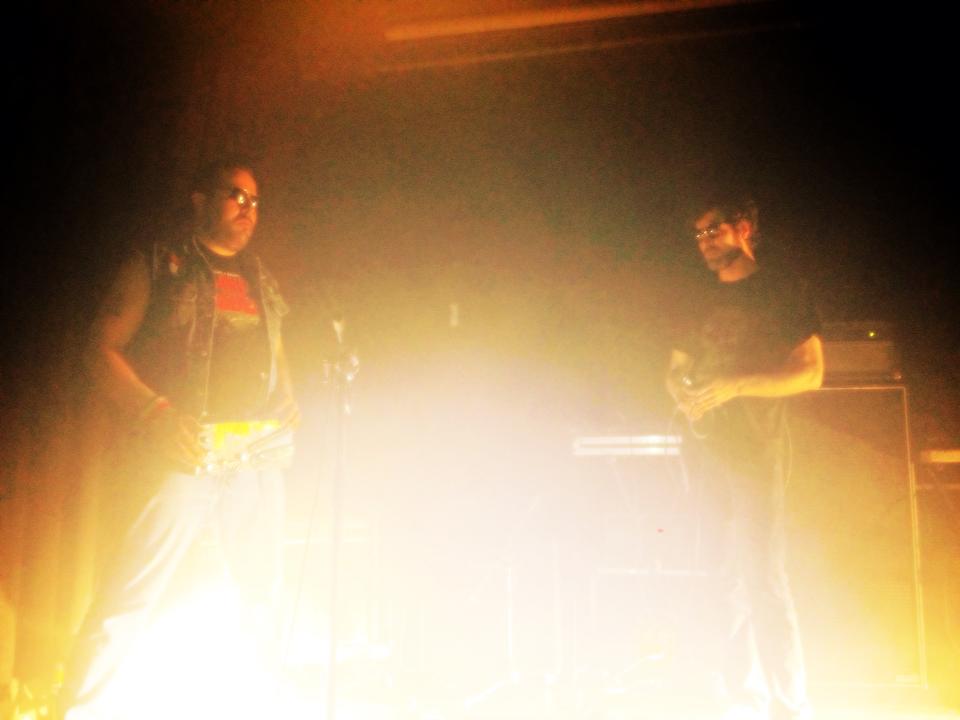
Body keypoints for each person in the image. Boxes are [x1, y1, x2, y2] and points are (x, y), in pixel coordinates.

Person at [58, 158, 298, 718]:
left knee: (261, 596)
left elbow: (276, 349)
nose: (248, 209)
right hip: (180, 453)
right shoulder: (159, 264)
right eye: (236, 195)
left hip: (254, 458)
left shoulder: (260, 276)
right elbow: (98, 347)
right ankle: (76, 709)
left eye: (256, 201)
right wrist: (155, 412)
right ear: (199, 199)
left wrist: (287, 400)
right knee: (131, 594)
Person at [665, 191, 824, 720]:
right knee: (721, 577)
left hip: (758, 450)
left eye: (714, 230)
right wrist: (681, 392)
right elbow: (673, 369)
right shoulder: (696, 298)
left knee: (764, 578)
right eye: (699, 235)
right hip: (707, 452)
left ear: (745, 229)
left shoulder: (782, 291)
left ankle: (790, 705)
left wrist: (734, 385)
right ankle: (742, 700)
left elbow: (811, 371)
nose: (705, 242)